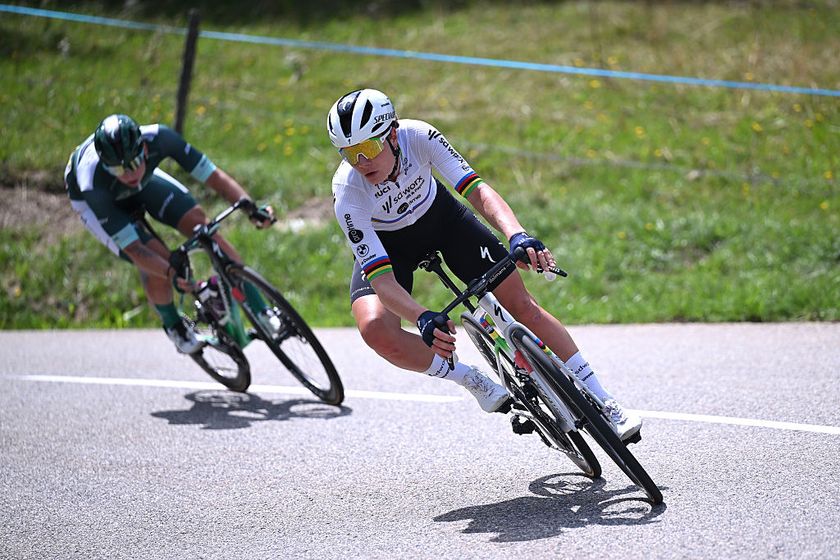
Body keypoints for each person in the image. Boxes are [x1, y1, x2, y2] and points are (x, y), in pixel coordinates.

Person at [327, 89, 642, 440]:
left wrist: (517, 235)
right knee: (374, 329)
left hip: (442, 221)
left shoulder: (420, 136)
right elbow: (383, 280)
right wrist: (421, 317)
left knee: (523, 306)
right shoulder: (348, 191)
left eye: (369, 148)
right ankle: (471, 378)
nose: (362, 161)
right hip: (390, 247)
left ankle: (604, 400)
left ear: (393, 134)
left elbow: (476, 189)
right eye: (350, 154)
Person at [64, 114, 275, 354]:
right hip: (99, 202)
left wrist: (251, 207)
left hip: (147, 184)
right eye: (117, 168)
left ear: (143, 147)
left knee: (204, 228)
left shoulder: (161, 138)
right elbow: (134, 249)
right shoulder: (92, 184)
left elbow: (215, 178)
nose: (129, 174)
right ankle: (174, 325)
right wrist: (171, 273)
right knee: (159, 263)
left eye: (133, 163)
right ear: (105, 163)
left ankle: (262, 311)